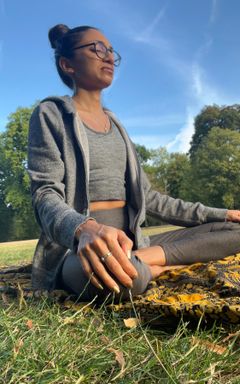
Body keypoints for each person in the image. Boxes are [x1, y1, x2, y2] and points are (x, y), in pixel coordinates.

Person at [28, 24, 240, 302]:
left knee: (236, 230)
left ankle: (145, 261)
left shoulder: (118, 126)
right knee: (124, 279)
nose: (107, 56)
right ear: (68, 65)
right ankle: (147, 267)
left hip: (135, 242)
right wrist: (84, 230)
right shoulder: (50, 114)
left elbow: (150, 199)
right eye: (96, 48)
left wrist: (223, 214)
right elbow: (45, 195)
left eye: (111, 51)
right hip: (78, 249)